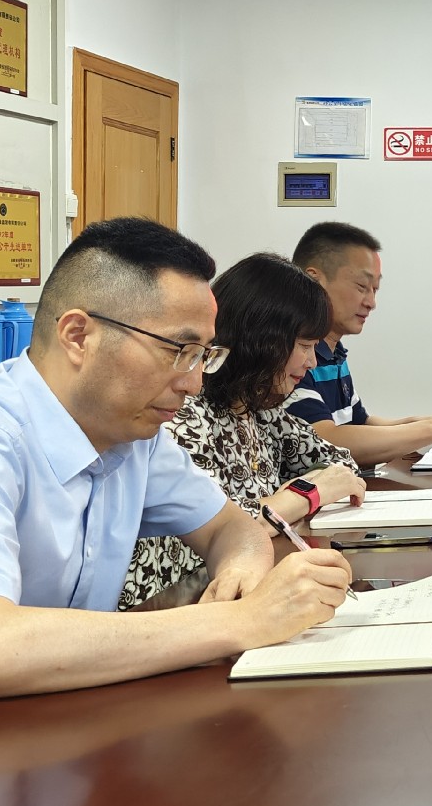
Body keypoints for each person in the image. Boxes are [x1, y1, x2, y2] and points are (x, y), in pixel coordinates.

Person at [0, 218, 352, 780]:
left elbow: (232, 527)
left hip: (26, 738)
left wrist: (242, 574)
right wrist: (238, 621)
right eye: (178, 350)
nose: (194, 381)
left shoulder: (132, 434)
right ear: (78, 336)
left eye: (204, 355)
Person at [119, 252, 366, 610]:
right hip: (173, 608)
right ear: (262, 340)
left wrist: (285, 502)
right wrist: (305, 495)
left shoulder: (260, 412)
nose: (312, 362)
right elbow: (201, 540)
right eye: (304, 346)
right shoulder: (183, 416)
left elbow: (342, 468)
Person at [287, 221, 432, 465]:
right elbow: (324, 441)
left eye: (375, 289)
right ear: (314, 281)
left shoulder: (333, 353)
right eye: (362, 287)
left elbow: (361, 425)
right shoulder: (290, 354)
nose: (371, 303)